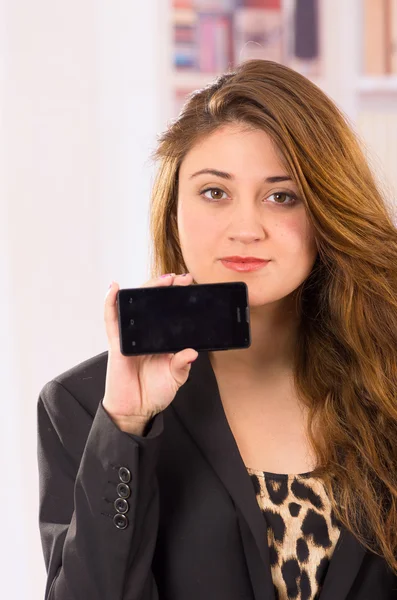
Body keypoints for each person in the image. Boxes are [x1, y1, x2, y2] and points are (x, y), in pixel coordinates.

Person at [37, 59, 397, 600]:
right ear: (174, 208)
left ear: (327, 210)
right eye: (214, 193)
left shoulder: (386, 379)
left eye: (282, 196)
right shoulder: (86, 407)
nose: (246, 228)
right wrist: (125, 430)